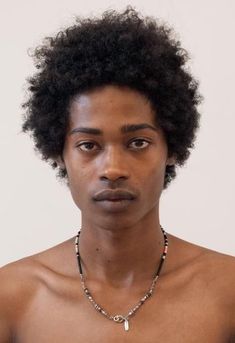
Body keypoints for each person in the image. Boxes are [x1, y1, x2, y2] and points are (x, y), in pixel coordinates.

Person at [0, 6, 234, 342]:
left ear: (172, 147)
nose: (112, 169)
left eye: (137, 142)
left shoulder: (228, 295)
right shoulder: (12, 299)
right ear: (58, 151)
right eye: (89, 145)